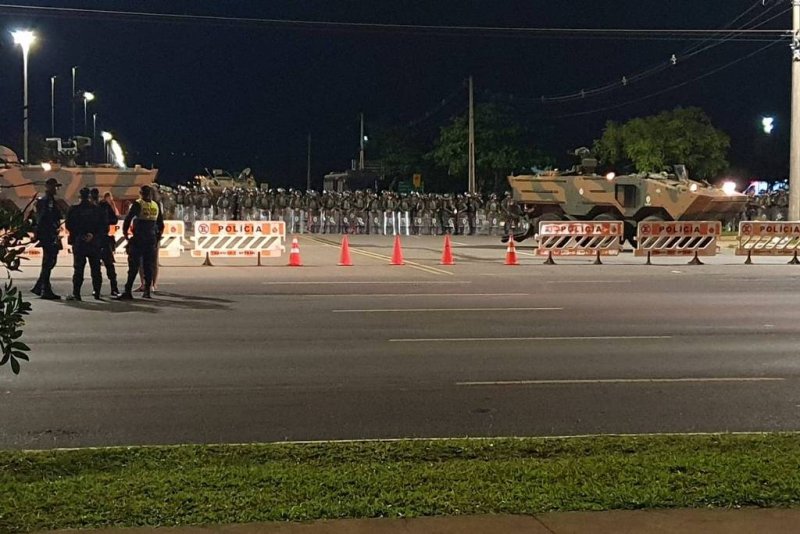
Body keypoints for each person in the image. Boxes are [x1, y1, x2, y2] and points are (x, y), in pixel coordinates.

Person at [116, 185, 164, 300]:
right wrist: (157, 238)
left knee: (133, 266)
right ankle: (147, 291)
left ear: (141, 193)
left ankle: (127, 291)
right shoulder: (155, 205)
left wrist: (125, 234)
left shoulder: (138, 204)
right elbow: (161, 224)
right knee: (148, 266)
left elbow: (128, 219)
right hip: (151, 239)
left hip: (139, 238)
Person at [65, 187, 105, 301]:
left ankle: (76, 293)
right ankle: (97, 292)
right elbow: (102, 225)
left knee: (78, 269)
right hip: (94, 242)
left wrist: (80, 234)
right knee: (96, 269)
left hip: (79, 241)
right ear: (89, 196)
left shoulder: (74, 209)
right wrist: (92, 235)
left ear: (80, 196)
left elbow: (69, 225)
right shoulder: (96, 209)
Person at [31, 177, 64, 300]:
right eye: (54, 187)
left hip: (48, 234)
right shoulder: (47, 201)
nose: (56, 189)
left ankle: (40, 286)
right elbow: (44, 218)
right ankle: (45, 289)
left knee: (49, 262)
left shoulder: (47, 200)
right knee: (49, 262)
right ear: (49, 187)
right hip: (48, 234)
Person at [91, 189, 120, 297]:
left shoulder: (92, 207)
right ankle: (113, 288)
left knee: (97, 266)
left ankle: (98, 290)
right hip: (101, 237)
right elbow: (114, 219)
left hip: (95, 238)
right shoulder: (104, 206)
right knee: (108, 265)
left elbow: (114, 220)